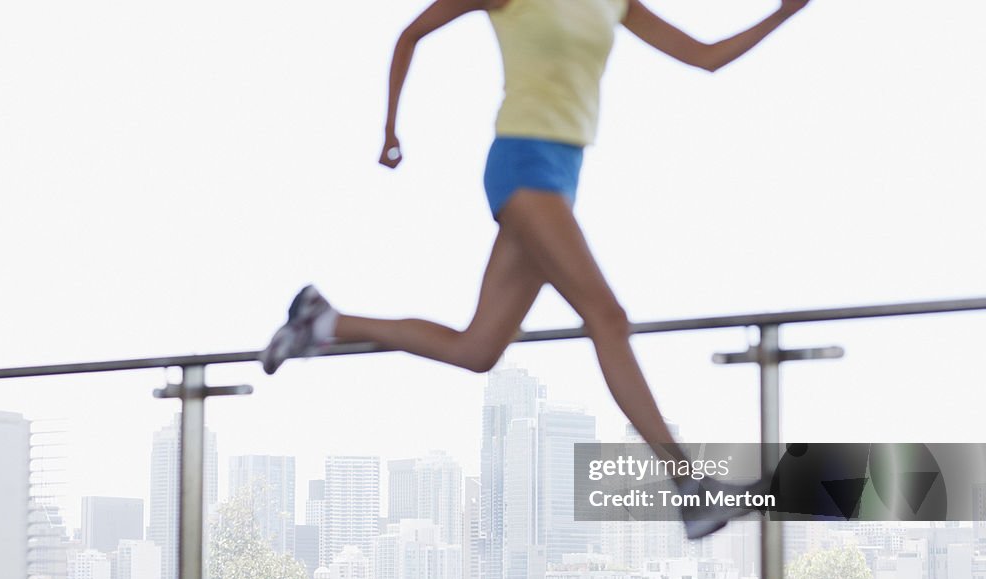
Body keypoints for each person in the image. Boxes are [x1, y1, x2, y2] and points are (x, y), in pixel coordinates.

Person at [261, 0, 810, 538]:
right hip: (522, 165)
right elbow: (411, 34)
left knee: (477, 349)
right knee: (607, 317)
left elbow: (705, 56)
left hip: (561, 175)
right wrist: (390, 130)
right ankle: (689, 488)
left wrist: (784, 13)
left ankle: (326, 321)